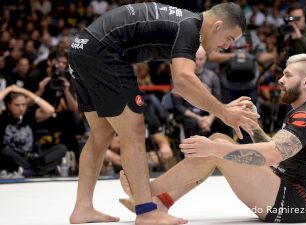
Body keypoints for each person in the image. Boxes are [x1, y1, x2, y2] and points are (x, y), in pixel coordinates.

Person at [67, 2, 259, 225]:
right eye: (229, 39)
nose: (227, 46)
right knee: (135, 133)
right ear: (217, 25)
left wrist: (220, 110)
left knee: (101, 134)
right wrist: (224, 112)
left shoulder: (184, 22)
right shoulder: (190, 27)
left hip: (82, 48)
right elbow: (184, 80)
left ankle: (82, 208)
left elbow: (182, 81)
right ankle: (146, 211)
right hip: (103, 52)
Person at [119, 54, 306, 223]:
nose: (280, 80)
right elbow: (279, 153)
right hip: (291, 196)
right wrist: (252, 127)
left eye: (288, 75)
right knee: (217, 137)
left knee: (217, 145)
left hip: (291, 205)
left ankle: (146, 194)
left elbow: (271, 155)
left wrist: (213, 150)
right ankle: (158, 202)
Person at [0, 85, 67, 176]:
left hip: (33, 158)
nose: (21, 108)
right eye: (17, 105)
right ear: (9, 105)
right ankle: (36, 171)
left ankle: (30, 171)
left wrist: (26, 92)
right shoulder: (3, 117)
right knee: (4, 151)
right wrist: (9, 89)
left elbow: (50, 110)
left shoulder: (29, 116)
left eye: (24, 105)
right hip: (14, 158)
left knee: (61, 148)